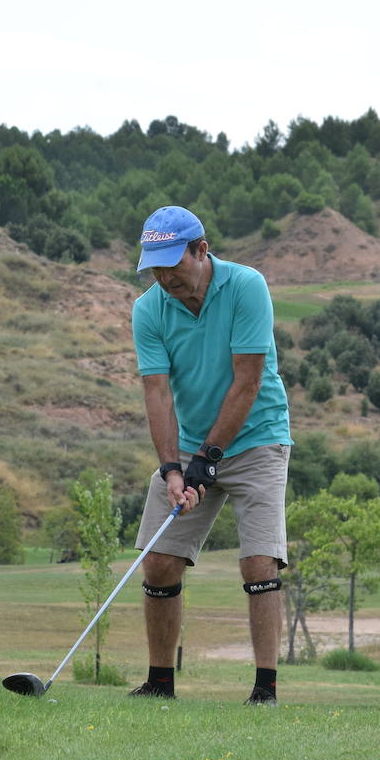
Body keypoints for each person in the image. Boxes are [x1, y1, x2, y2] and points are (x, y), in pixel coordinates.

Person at [128, 205, 292, 705]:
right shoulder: (148, 309)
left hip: (257, 437)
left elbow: (248, 381)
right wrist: (173, 467)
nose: (164, 277)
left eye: (172, 264)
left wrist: (209, 458)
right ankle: (160, 683)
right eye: (154, 267)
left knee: (259, 562)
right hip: (189, 445)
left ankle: (264, 689)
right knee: (157, 562)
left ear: (202, 250)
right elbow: (157, 394)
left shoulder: (246, 287)